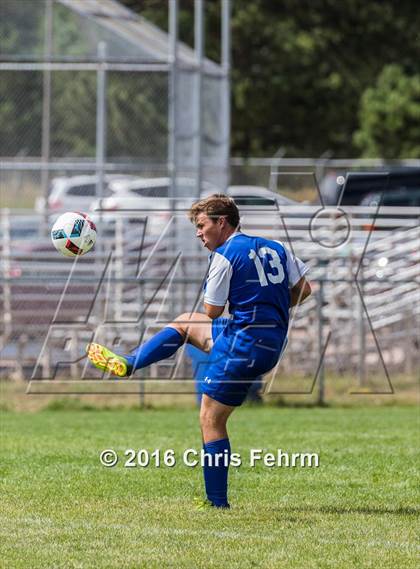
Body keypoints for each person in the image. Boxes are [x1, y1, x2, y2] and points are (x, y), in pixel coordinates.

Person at [86, 194, 311, 509]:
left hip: (242, 343)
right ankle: (129, 362)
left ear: (222, 222)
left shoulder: (224, 255)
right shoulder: (275, 247)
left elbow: (213, 310)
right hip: (270, 341)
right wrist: (269, 307)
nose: (198, 233)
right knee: (185, 323)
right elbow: (305, 289)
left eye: (202, 225)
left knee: (210, 418)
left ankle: (217, 503)